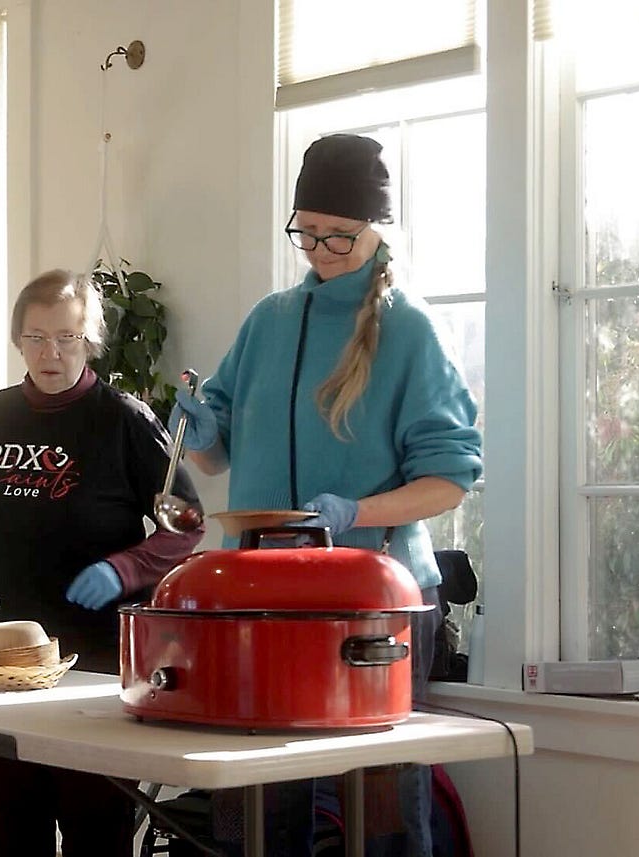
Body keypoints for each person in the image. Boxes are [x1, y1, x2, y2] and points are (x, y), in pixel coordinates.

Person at [170, 133, 484, 857]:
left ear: (379, 227)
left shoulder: (411, 330)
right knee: (255, 814)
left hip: (371, 601)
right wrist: (202, 425)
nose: (319, 249)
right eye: (306, 232)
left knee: (382, 818)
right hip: (262, 602)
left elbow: (451, 477)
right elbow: (217, 460)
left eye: (338, 235)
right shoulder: (267, 321)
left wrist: (353, 513)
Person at [0, 269, 204, 857]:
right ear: (17, 340)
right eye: (35, 338)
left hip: (96, 659)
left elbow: (187, 526)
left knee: (94, 828)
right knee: (11, 828)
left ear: (90, 342)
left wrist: (124, 569)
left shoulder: (124, 420)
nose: (50, 353)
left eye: (66, 338)